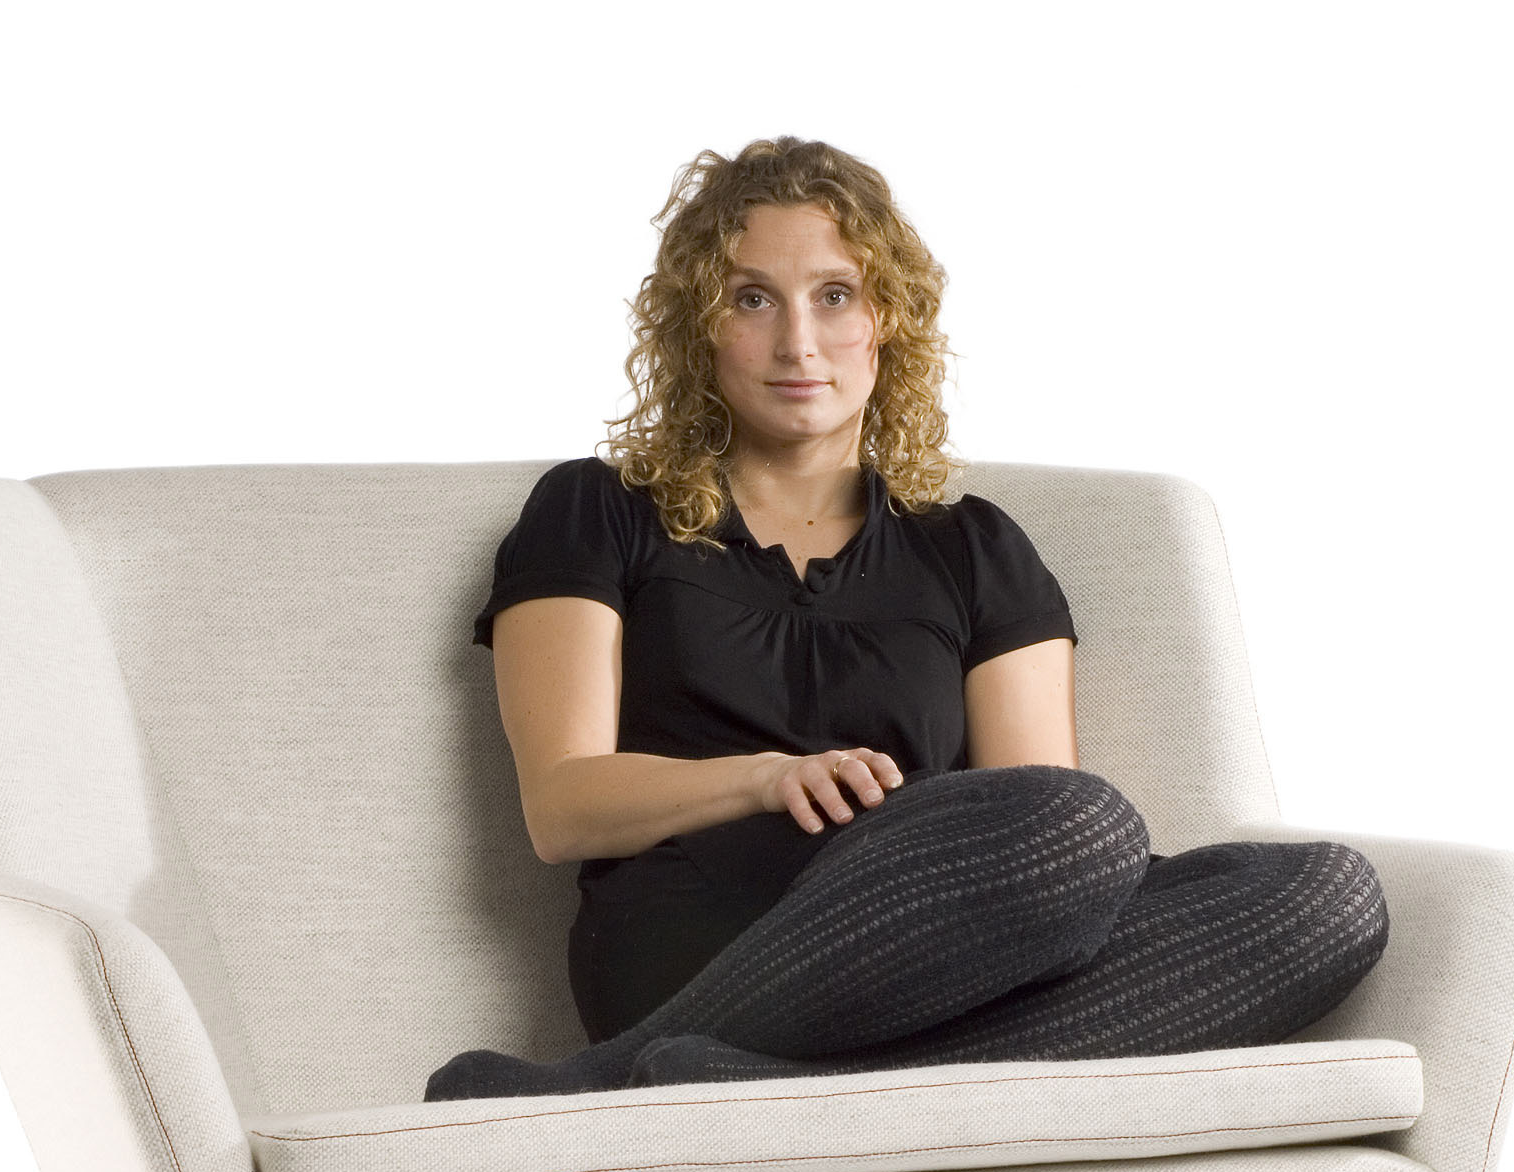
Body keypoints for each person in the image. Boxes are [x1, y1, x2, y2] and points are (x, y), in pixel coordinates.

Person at [423, 137, 1387, 1104]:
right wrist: (767, 777)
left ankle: (665, 1083)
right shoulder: (596, 510)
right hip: (700, 940)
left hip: (932, 945)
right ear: (699, 325)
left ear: (887, 319)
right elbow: (563, 806)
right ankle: (689, 1052)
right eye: (752, 298)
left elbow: (1051, 843)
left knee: (1321, 899)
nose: (798, 343)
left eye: (835, 295)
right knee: (1084, 820)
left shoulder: (974, 550)